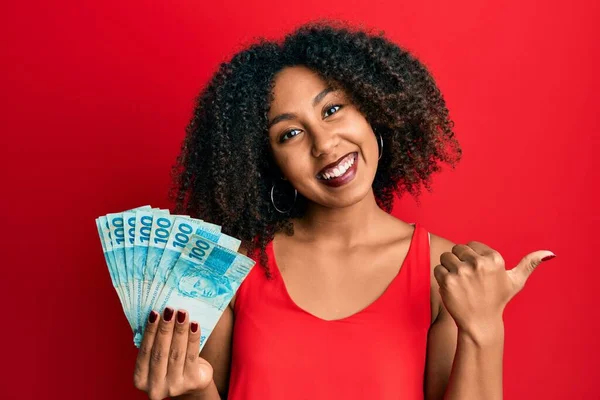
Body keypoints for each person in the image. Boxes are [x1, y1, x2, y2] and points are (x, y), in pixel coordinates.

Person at [132, 20, 556, 400]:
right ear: (267, 162)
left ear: (372, 111)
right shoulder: (232, 268)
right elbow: (195, 386)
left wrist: (484, 328)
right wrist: (193, 391)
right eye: (290, 134)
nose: (324, 144)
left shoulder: (442, 274)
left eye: (332, 110)